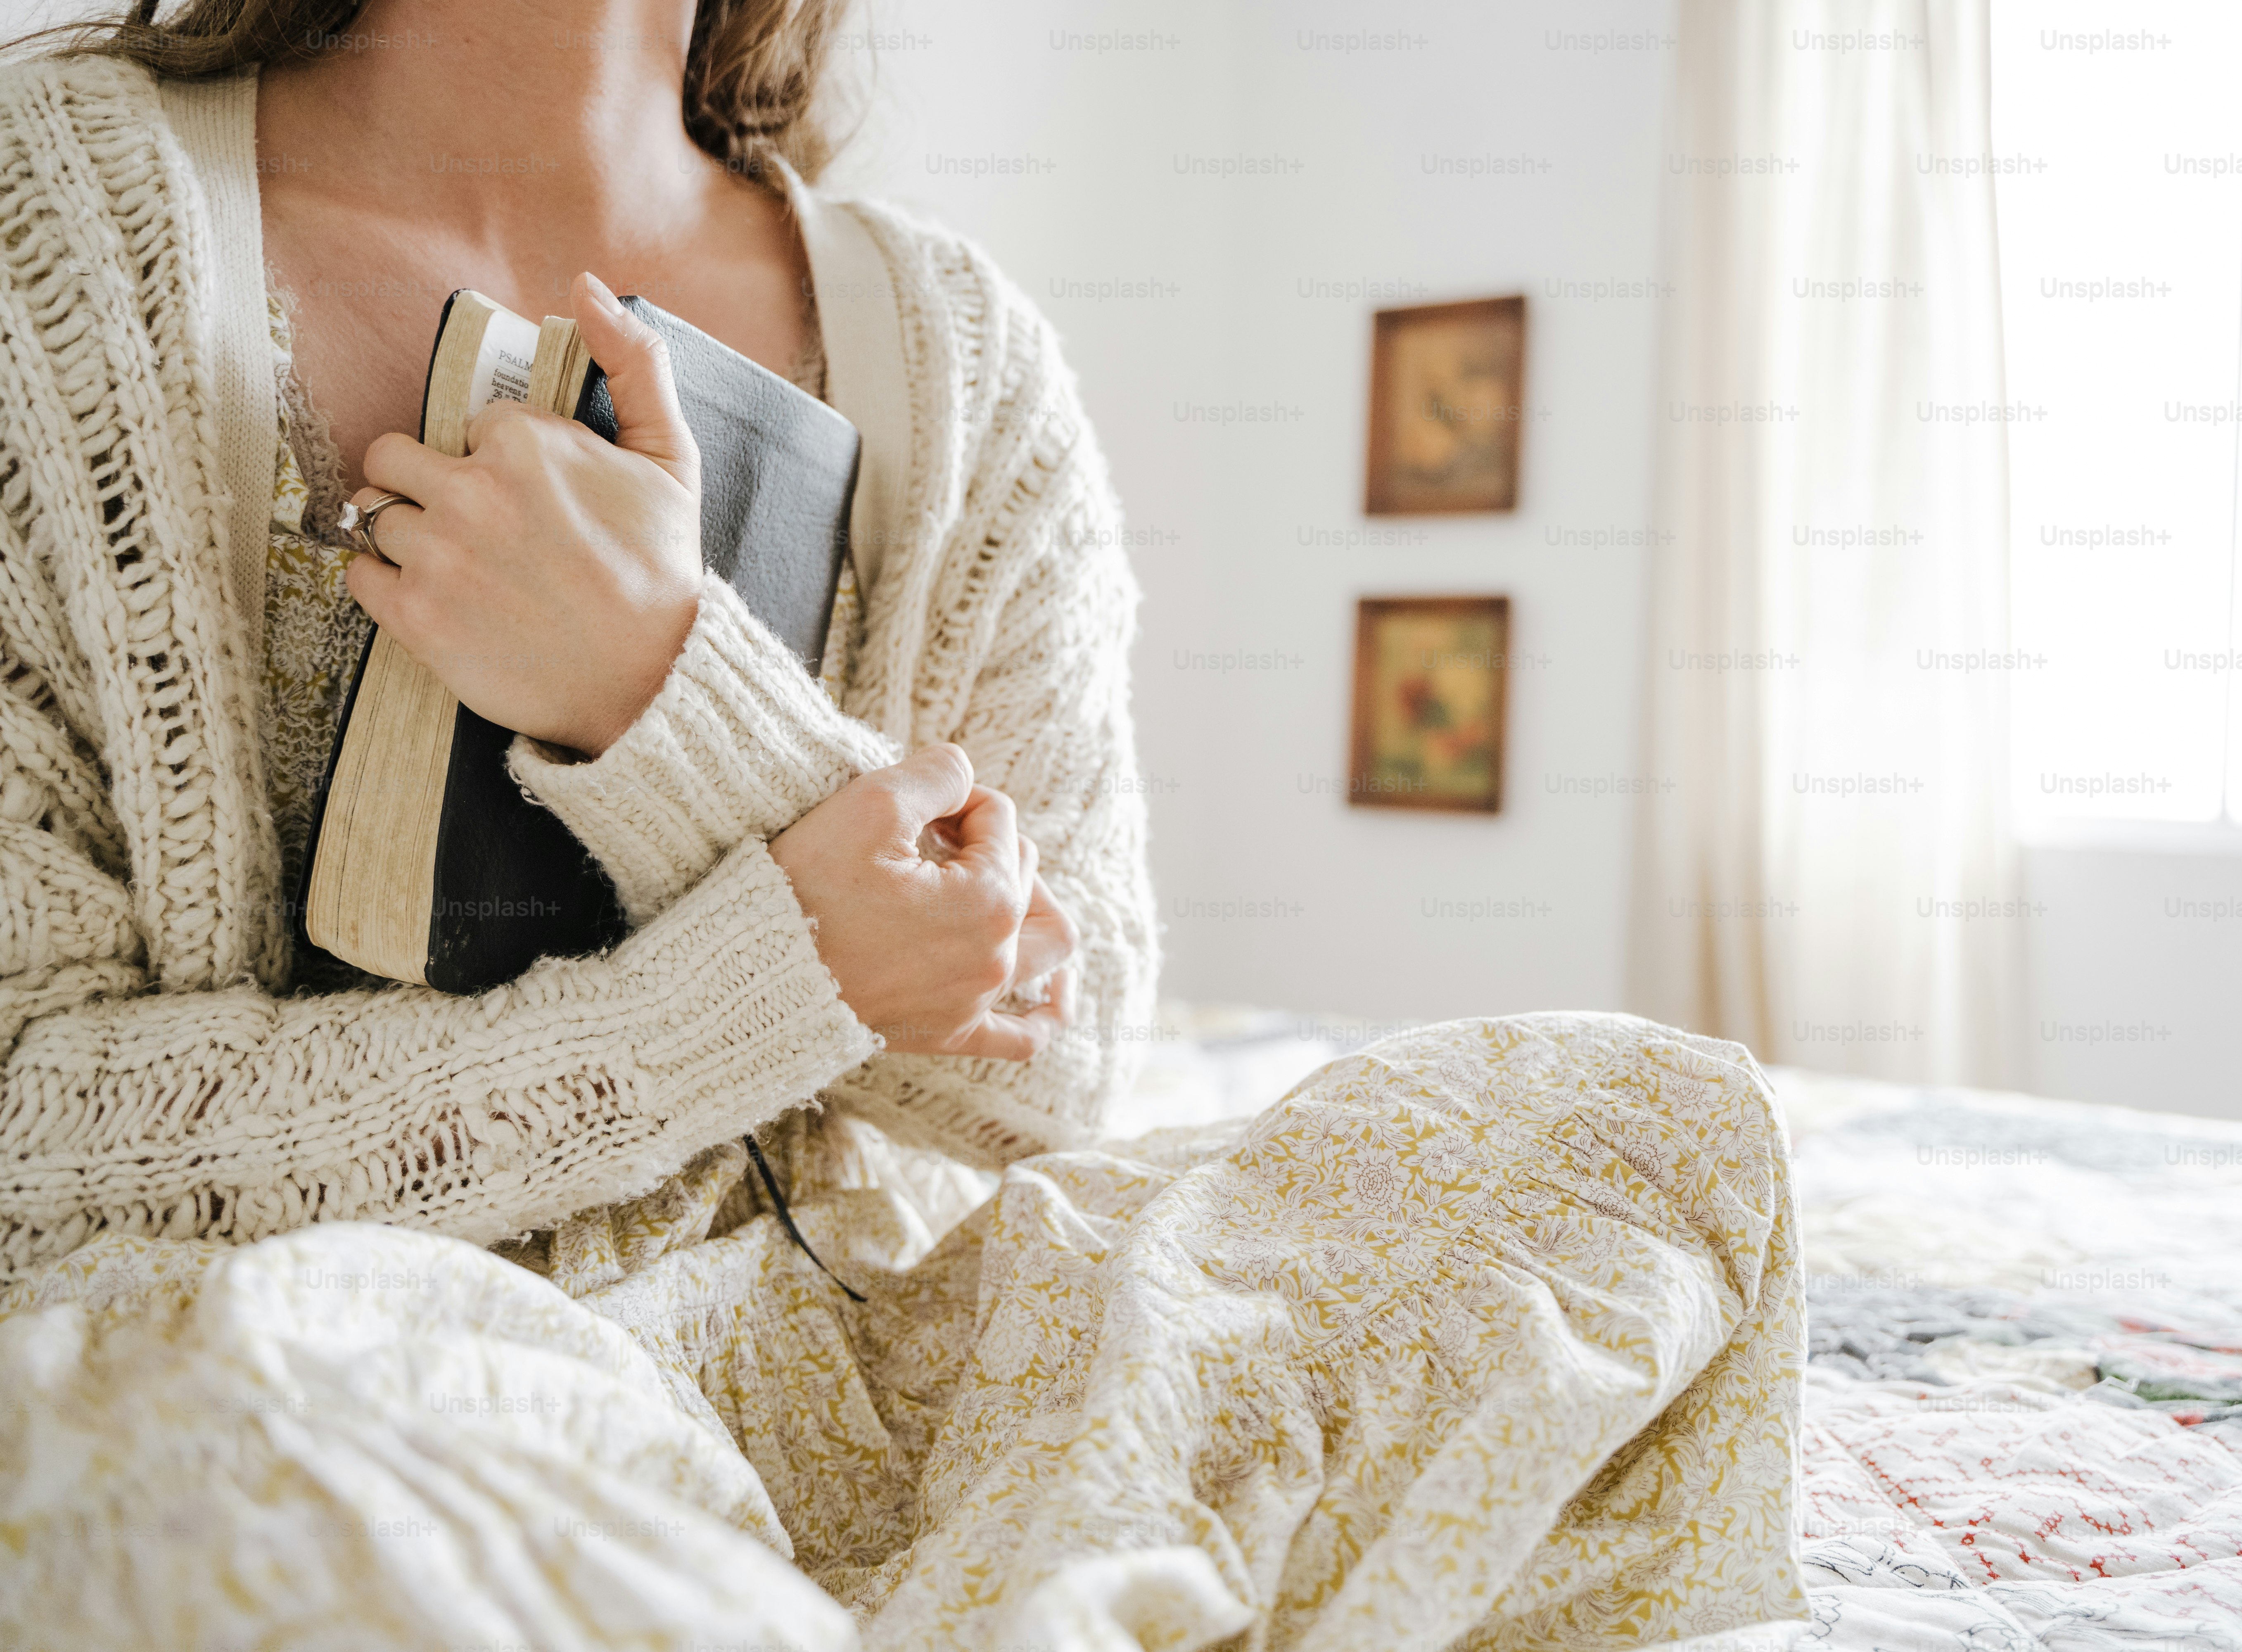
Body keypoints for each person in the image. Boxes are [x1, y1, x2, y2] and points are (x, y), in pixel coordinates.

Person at [0, 3, 1808, 1647]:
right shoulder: (39, 233)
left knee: (1620, 1149)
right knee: (220, 1458)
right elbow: (28, 1133)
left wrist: (671, 697)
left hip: (852, 1362)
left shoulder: (961, 358)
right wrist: (748, 985)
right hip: (315, 1357)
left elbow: (1041, 1070)